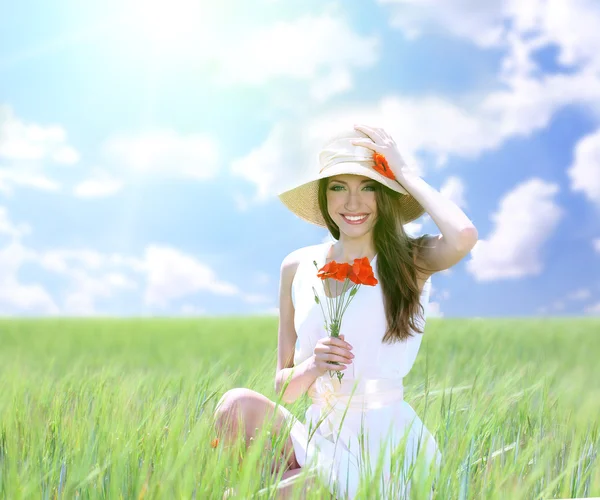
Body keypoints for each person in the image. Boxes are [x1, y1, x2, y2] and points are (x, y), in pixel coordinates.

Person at [213, 125, 478, 499]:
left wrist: (404, 173)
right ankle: (280, 485)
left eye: (367, 187)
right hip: (321, 433)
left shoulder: (408, 261)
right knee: (234, 406)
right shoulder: (296, 266)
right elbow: (284, 390)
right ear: (324, 196)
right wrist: (313, 366)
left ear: (385, 196)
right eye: (339, 187)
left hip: (382, 447)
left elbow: (463, 235)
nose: (353, 203)